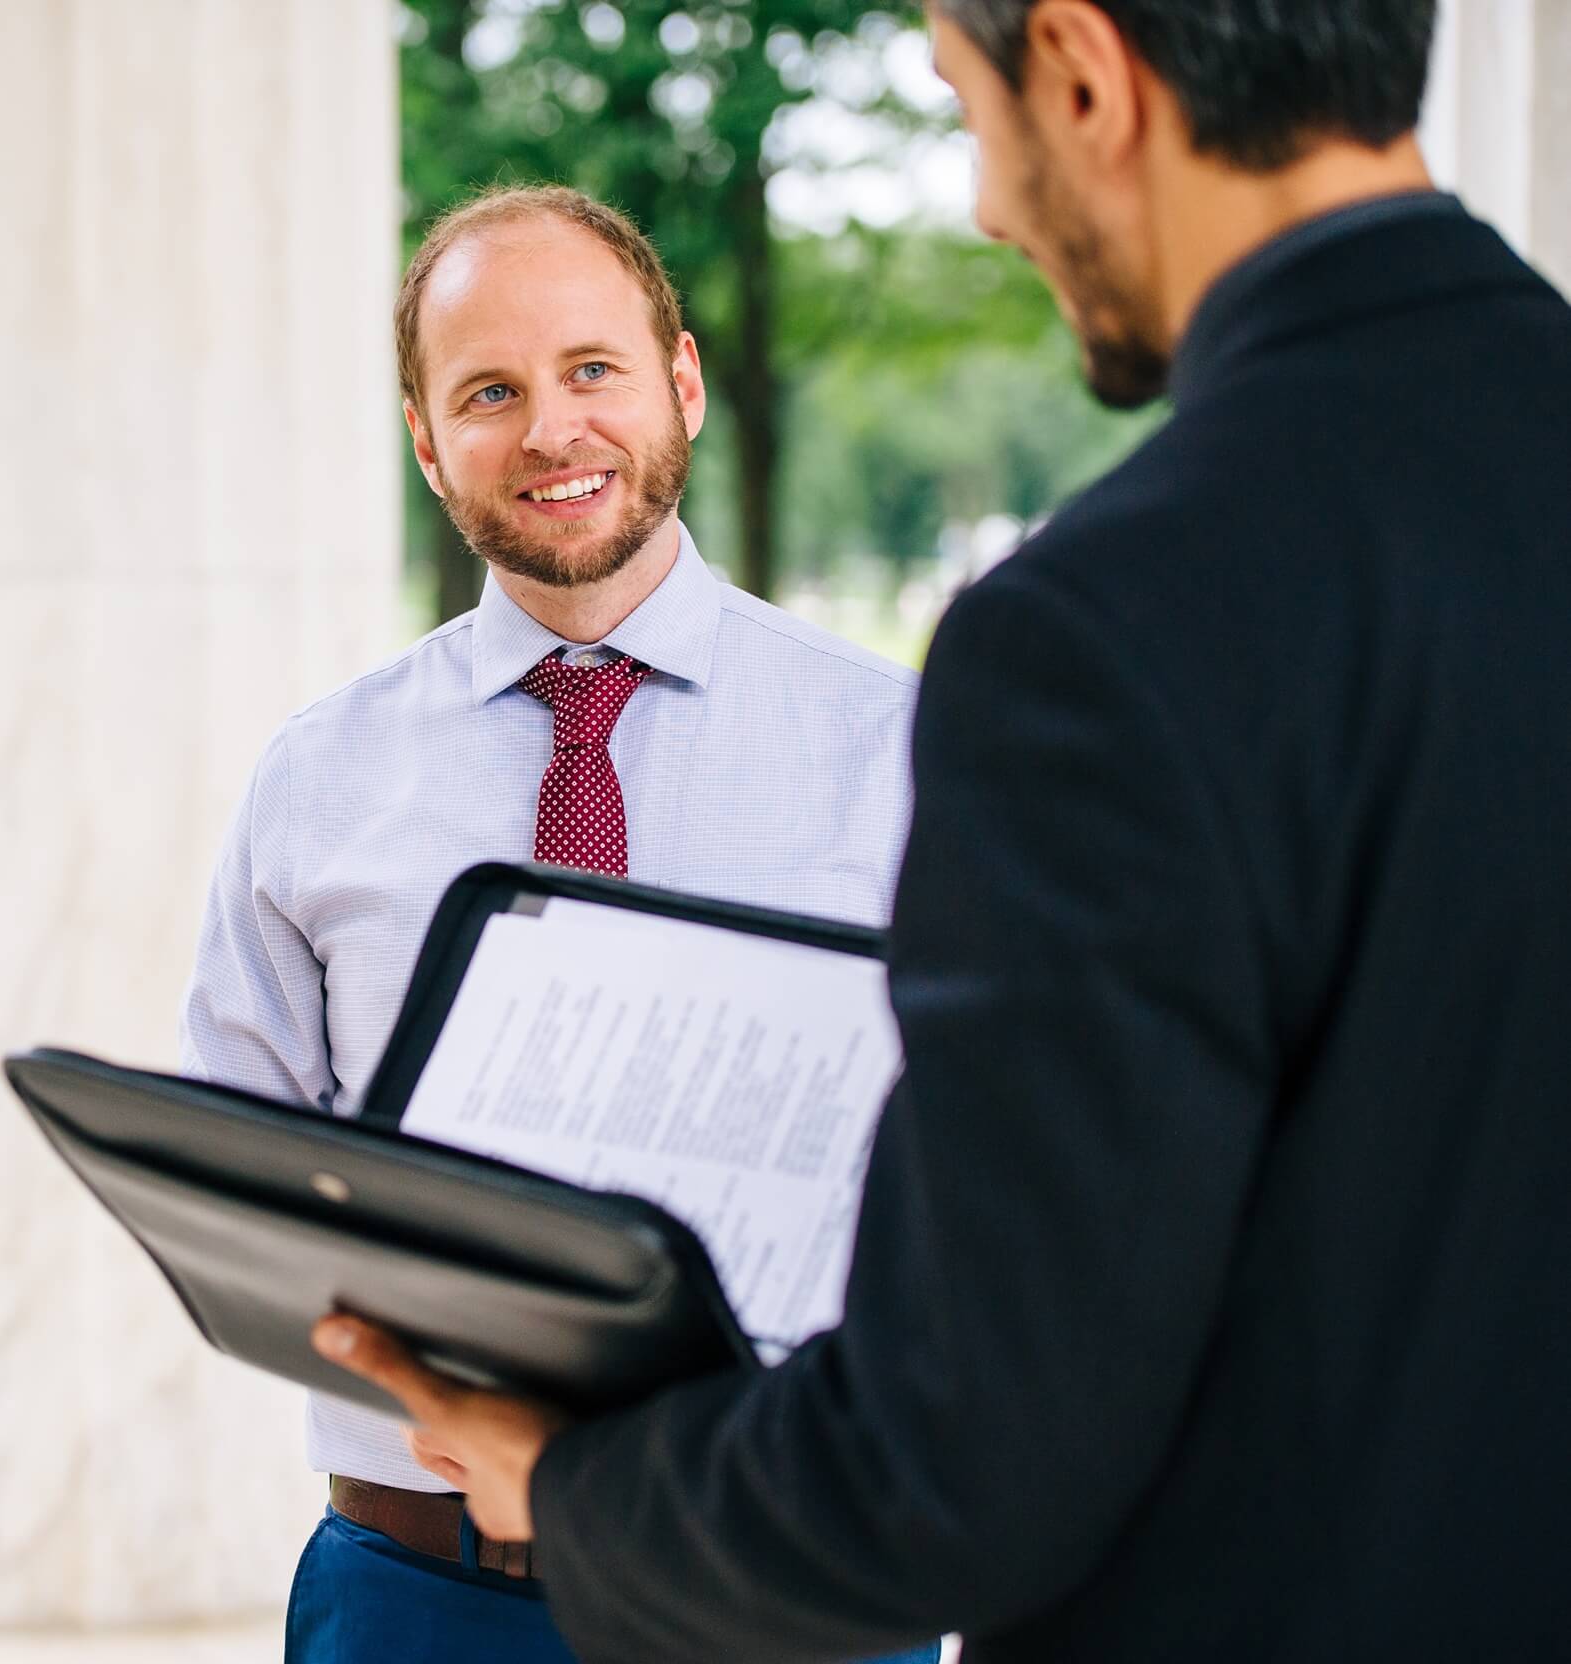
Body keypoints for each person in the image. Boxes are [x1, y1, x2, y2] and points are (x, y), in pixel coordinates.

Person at [320, 2, 1571, 1660]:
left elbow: (973, 1442)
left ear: (1079, 72)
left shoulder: (1106, 634)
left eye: (968, 113)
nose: (989, 204)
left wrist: (580, 1479)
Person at [181, 185, 936, 1664]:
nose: (551, 429)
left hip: (796, 1579)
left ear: (685, 384)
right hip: (424, 1596)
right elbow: (238, 1173)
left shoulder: (900, 751)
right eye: (490, 392)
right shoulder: (319, 779)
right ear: (424, 439)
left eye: (593, 369)